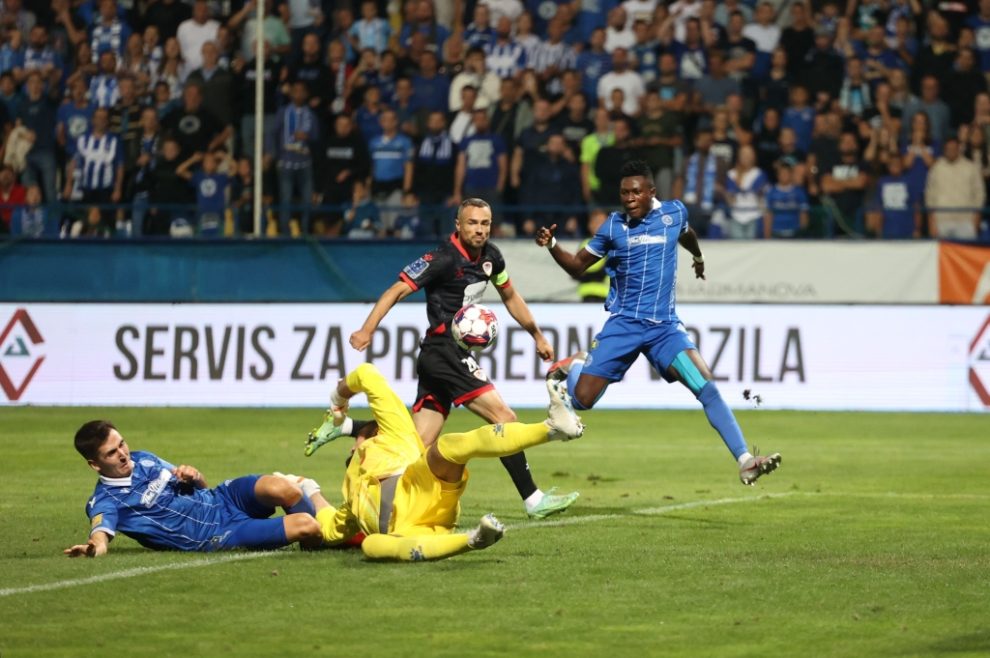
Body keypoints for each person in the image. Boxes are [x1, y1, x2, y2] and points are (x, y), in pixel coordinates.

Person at [534, 160, 782, 486]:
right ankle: (576, 364)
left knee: (706, 387)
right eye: (624, 193)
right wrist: (552, 245)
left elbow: (687, 234)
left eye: (636, 192)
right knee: (582, 401)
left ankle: (745, 460)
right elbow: (577, 266)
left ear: (652, 192)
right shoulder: (613, 227)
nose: (629, 199)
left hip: (664, 329)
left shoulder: (674, 213)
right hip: (624, 325)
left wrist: (698, 257)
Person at [329, 198, 580, 520]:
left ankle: (352, 432)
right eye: (472, 223)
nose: (480, 229)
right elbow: (397, 290)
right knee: (504, 417)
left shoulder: (492, 257)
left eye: (485, 223)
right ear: (458, 225)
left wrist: (537, 334)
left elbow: (510, 295)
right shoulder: (442, 258)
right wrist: (367, 329)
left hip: (444, 356)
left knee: (415, 444)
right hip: (443, 351)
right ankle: (533, 499)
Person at [307, 362, 584, 561]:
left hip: (417, 484)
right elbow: (329, 529)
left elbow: (367, 374)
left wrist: (338, 398)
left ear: (372, 432)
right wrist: (309, 489)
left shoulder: (395, 432)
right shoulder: (350, 497)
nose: (352, 447)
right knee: (372, 547)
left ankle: (551, 428)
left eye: (356, 438)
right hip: (412, 528)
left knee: (448, 447)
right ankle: (471, 539)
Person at [64, 420, 323, 557]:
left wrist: (194, 476)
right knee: (307, 525)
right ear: (94, 464)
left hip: (222, 498)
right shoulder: (106, 501)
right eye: (112, 453)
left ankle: (320, 537)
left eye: (122, 444)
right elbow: (101, 535)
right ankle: (323, 537)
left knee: (286, 489)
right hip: (215, 534)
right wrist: (93, 549)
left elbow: (201, 486)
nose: (123, 454)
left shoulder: (144, 458)